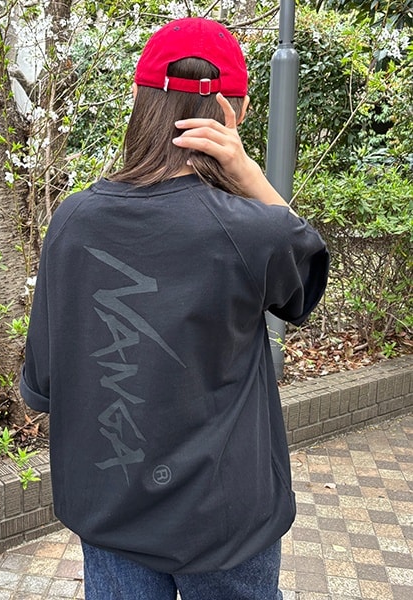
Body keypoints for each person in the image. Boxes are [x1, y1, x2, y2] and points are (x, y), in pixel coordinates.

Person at [20, 17, 329, 600]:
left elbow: (45, 381)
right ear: (235, 111)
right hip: (226, 518)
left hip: (111, 510)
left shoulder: (73, 220)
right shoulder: (252, 230)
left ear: (141, 105)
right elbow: (305, 282)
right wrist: (252, 178)